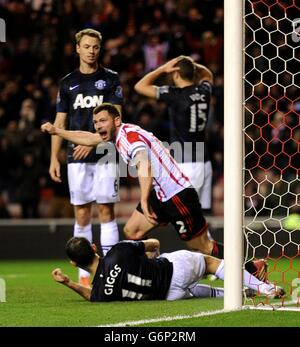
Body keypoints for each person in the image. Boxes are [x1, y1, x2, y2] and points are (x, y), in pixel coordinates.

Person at [42, 103, 266, 281]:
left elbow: (145, 165)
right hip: (161, 196)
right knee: (133, 231)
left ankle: (251, 267)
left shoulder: (129, 139)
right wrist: (57, 131)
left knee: (202, 247)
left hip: (177, 195)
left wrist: (144, 200)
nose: (98, 125)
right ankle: (157, 273)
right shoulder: (119, 135)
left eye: (102, 120)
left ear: (116, 120)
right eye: (96, 122)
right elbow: (89, 138)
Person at [49, 29, 123, 285]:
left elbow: (116, 118)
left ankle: (112, 271)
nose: (92, 51)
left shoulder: (111, 79)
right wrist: (53, 158)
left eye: (96, 47)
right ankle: (85, 275)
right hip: (75, 157)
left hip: (104, 153)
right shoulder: (67, 83)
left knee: (106, 211)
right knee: (81, 214)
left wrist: (91, 143)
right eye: (87, 46)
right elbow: (60, 121)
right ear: (77, 48)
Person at [51, 237, 284, 302]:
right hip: (173, 269)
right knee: (211, 263)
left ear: (74, 264)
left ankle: (246, 293)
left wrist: (68, 283)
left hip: (169, 296)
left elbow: (90, 295)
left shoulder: (101, 292)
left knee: (193, 290)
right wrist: (153, 250)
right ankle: (265, 288)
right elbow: (152, 243)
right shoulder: (119, 250)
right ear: (93, 247)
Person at [134, 56, 213, 213]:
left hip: (186, 165)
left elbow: (140, 86)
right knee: (202, 218)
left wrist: (163, 68)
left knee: (186, 219)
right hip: (205, 163)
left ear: (175, 74)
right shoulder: (204, 91)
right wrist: (191, 65)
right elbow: (208, 75)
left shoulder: (175, 95)